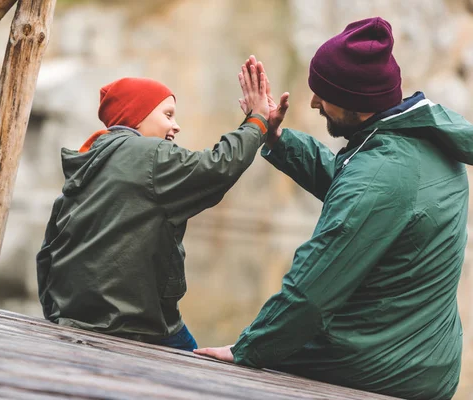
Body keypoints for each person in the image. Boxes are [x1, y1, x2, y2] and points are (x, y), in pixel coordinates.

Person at [195, 17, 470, 399]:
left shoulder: (380, 173)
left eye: (323, 94)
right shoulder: (424, 141)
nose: (312, 102)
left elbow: (310, 292)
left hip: (373, 369)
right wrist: (278, 138)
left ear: (355, 102)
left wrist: (249, 349)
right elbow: (360, 193)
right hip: (428, 364)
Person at [36, 60, 289, 351]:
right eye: (168, 114)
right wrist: (256, 121)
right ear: (136, 116)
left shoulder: (88, 162)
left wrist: (55, 314)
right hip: (135, 325)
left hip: (71, 318)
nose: (176, 125)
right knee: (199, 371)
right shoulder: (150, 154)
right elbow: (218, 167)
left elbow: (47, 252)